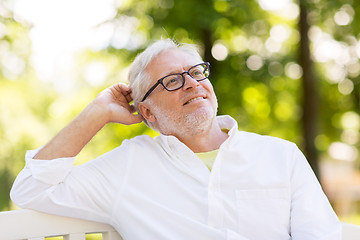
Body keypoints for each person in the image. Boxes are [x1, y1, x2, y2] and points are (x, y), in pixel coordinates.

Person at [10, 39, 341, 240]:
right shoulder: (128, 166)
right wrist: (97, 111)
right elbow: (31, 188)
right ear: (148, 113)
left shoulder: (280, 156)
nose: (192, 84)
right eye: (171, 81)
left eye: (196, 72)